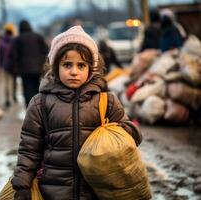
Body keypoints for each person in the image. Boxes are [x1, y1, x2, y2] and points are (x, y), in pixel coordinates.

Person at [11, 26, 142, 200]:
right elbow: (29, 148)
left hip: (96, 190)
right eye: (67, 64)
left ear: (91, 68)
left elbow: (132, 135)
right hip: (53, 191)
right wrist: (22, 184)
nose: (74, 71)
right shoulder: (40, 103)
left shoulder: (106, 101)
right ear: (55, 66)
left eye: (81, 65)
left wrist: (112, 136)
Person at [10, 19, 48, 107]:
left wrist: (15, 69)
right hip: (38, 68)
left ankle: (30, 108)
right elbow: (46, 51)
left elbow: (14, 55)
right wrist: (42, 63)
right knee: (37, 88)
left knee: (27, 90)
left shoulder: (18, 39)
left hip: (24, 69)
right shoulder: (38, 37)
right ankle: (38, 107)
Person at [0, 23, 17, 107]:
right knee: (14, 81)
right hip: (14, 64)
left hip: (5, 64)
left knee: (7, 82)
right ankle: (14, 95)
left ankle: (7, 99)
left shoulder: (1, 42)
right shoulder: (15, 40)